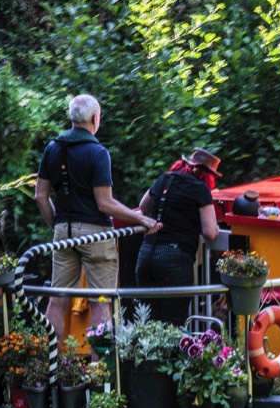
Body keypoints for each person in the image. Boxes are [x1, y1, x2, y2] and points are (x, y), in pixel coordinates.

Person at [34, 94, 157, 339]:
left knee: (57, 300)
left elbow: (40, 196)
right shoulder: (98, 152)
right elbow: (105, 203)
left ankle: (48, 368)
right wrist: (141, 219)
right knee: (101, 302)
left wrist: (57, 226)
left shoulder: (52, 148)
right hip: (95, 236)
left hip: (64, 234)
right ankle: (98, 373)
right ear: (94, 118)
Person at [134, 148, 221, 325]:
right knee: (173, 323)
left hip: (146, 253)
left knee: (147, 320)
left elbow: (143, 206)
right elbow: (210, 232)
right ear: (206, 173)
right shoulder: (200, 188)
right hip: (174, 260)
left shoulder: (164, 179)